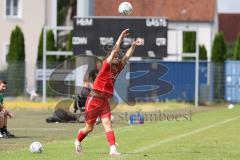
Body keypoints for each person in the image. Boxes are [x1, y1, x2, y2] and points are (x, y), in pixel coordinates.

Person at [74, 29, 144, 155]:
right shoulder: (106, 64)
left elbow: (127, 55)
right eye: (115, 55)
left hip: (104, 101)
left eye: (118, 56)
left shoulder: (119, 67)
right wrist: (121, 36)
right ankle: (78, 141)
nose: (117, 56)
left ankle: (113, 149)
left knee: (107, 124)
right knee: (89, 128)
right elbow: (115, 49)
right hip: (94, 99)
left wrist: (133, 45)